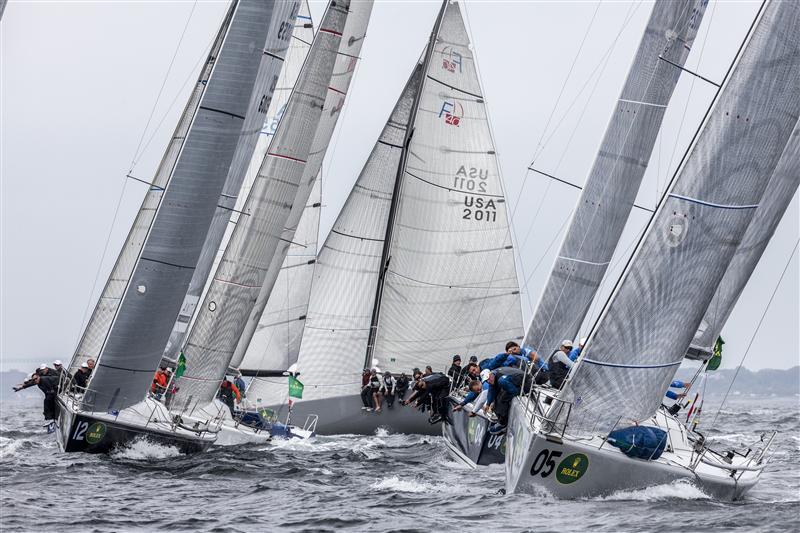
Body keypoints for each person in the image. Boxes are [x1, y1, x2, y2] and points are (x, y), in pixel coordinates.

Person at [486, 367, 527, 434]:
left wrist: (518, 393)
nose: (488, 381)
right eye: (486, 381)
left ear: (491, 375)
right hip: (517, 382)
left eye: (488, 379)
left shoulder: (500, 380)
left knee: (503, 398)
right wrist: (488, 404)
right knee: (498, 397)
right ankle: (500, 418)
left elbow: (513, 391)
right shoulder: (493, 376)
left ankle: (503, 423)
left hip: (524, 384)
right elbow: (491, 391)